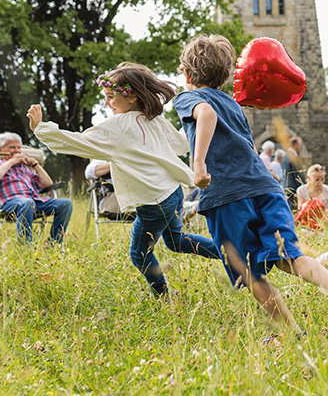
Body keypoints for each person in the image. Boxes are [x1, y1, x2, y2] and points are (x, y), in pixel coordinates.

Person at [174, 34, 328, 343]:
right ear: (225, 76)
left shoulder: (188, 98)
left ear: (187, 74)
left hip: (229, 196)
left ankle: (293, 335)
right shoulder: (235, 106)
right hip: (267, 189)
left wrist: (198, 165)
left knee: (250, 273)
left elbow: (205, 115)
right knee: (288, 255)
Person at [29, 63, 220, 296]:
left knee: (139, 254)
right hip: (172, 193)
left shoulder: (117, 126)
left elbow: (76, 142)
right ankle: (233, 256)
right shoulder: (153, 118)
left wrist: (41, 129)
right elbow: (181, 143)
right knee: (177, 241)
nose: (107, 103)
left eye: (111, 97)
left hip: (154, 204)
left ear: (131, 98)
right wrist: (197, 122)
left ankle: (164, 297)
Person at [0, 132, 74, 245]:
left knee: (65, 203)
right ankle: (26, 247)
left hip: (33, 202)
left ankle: (53, 243)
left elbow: (47, 184)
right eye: (12, 147)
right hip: (9, 204)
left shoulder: (24, 168)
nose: (17, 151)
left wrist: (35, 164)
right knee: (26, 202)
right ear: (0, 150)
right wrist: (12, 161)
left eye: (19, 147)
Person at [281, 136, 305, 209]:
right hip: (294, 188)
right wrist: (303, 186)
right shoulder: (293, 156)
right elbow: (297, 174)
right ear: (295, 144)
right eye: (299, 145)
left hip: (287, 187)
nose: (300, 147)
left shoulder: (286, 155)